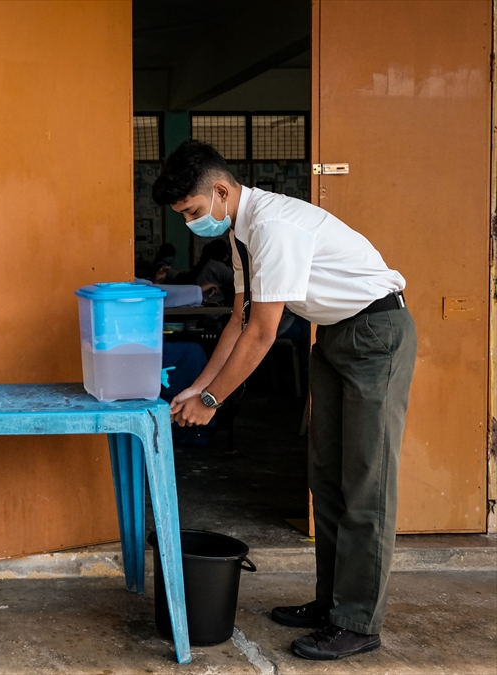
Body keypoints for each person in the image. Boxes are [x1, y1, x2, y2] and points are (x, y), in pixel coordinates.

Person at [154, 140, 415, 661]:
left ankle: (358, 622)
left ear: (221, 190)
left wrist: (211, 398)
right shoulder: (241, 232)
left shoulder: (274, 227)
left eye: (193, 211)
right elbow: (239, 320)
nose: (190, 223)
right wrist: (196, 385)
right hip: (337, 337)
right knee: (328, 477)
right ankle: (331, 605)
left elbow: (263, 333)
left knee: (366, 482)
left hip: (376, 334)